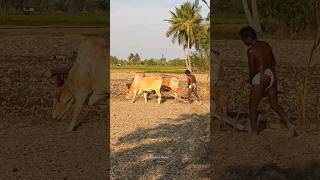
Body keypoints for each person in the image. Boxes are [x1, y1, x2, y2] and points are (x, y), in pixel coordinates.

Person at [238, 26, 295, 135]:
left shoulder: (251, 51)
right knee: (274, 104)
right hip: (271, 74)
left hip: (260, 77)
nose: (243, 42)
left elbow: (252, 70)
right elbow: (274, 62)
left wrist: (251, 82)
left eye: (243, 39)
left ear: (248, 38)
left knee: (253, 106)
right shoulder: (266, 45)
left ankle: (254, 132)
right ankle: (289, 124)